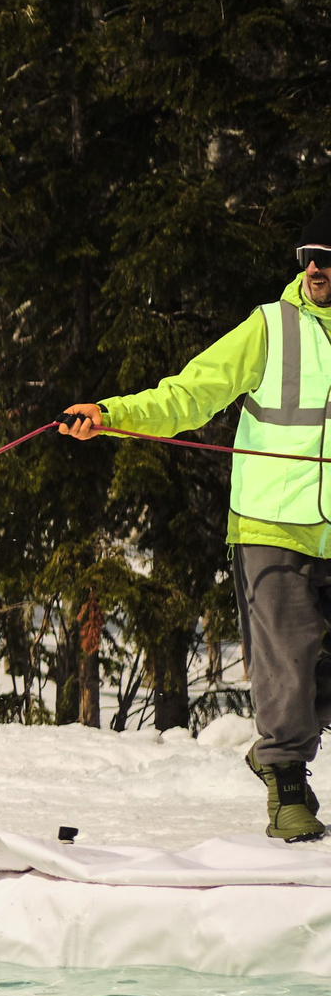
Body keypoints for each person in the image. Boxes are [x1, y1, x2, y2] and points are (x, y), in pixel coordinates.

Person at [62, 212, 331, 841]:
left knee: (317, 672)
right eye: (310, 256)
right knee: (288, 662)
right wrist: (112, 414)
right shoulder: (271, 328)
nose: (318, 267)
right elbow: (190, 394)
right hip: (273, 526)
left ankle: (280, 749)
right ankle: (287, 778)